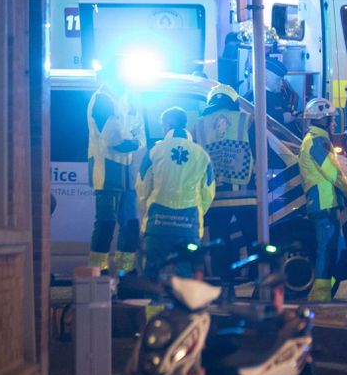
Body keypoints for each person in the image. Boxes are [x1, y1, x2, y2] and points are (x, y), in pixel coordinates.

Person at [137, 108, 215, 279]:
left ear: (168, 126)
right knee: (185, 275)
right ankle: (182, 304)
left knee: (151, 272)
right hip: (189, 223)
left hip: (158, 222)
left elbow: (142, 185)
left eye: (163, 126)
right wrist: (198, 210)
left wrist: (147, 206)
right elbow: (208, 192)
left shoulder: (154, 151)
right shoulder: (202, 154)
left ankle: (153, 303)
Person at [191, 84, 257, 280]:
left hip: (215, 195)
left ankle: (226, 285)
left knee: (220, 241)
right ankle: (257, 282)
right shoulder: (246, 119)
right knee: (253, 239)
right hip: (245, 194)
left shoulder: (198, 125)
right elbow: (258, 151)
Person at [86, 64, 144, 273]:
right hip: (106, 169)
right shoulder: (102, 100)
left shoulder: (130, 98)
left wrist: (133, 141)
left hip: (127, 172)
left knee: (131, 226)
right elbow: (113, 139)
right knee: (106, 224)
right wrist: (133, 142)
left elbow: (140, 134)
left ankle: (125, 275)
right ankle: (97, 275)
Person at [299, 98, 347, 302]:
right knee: (327, 248)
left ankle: (320, 292)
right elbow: (333, 172)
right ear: (321, 120)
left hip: (322, 201)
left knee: (330, 248)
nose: (333, 123)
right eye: (330, 119)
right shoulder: (317, 141)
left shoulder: (314, 139)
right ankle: (321, 295)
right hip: (324, 202)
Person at [244, 56, 295, 127]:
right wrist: (282, 118)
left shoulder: (278, 94)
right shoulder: (254, 96)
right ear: (265, 78)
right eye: (277, 80)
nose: (281, 84)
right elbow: (257, 119)